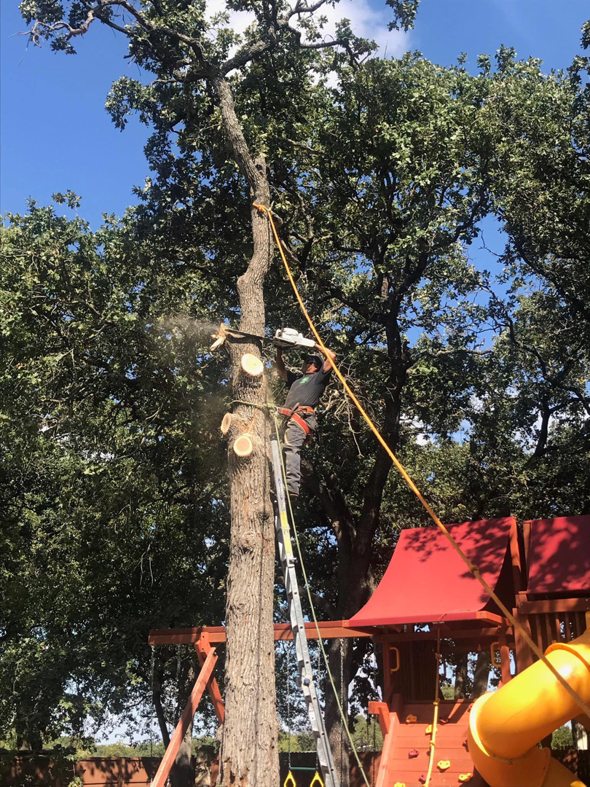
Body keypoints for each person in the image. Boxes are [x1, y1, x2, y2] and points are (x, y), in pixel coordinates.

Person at [275, 342, 336, 498]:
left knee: (291, 448)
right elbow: (280, 369)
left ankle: (292, 487)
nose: (307, 364)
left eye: (311, 362)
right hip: (289, 419)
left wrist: (315, 345)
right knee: (284, 449)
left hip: (301, 417)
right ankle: (284, 483)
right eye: (306, 361)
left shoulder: (318, 378)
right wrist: (279, 348)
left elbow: (332, 356)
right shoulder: (296, 379)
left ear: (316, 366)